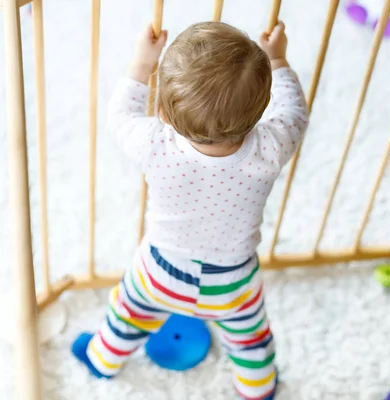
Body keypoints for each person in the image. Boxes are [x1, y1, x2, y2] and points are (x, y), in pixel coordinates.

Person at [72, 20, 309, 400]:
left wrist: (141, 62)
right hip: (232, 282)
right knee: (251, 340)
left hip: (159, 271)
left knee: (126, 314)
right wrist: (278, 59)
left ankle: (103, 359)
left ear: (162, 111)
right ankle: (258, 388)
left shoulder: (154, 143)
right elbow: (295, 111)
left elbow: (120, 115)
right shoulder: (271, 148)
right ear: (261, 110)